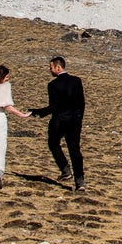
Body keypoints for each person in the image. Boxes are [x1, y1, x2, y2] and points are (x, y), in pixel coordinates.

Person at [29, 56, 85, 189]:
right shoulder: (76, 81)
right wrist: (79, 117)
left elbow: (53, 107)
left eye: (51, 68)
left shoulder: (53, 85)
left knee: (53, 143)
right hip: (74, 121)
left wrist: (37, 112)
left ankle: (65, 169)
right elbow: (81, 103)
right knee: (75, 150)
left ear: (58, 67)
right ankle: (80, 181)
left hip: (59, 121)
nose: (50, 70)